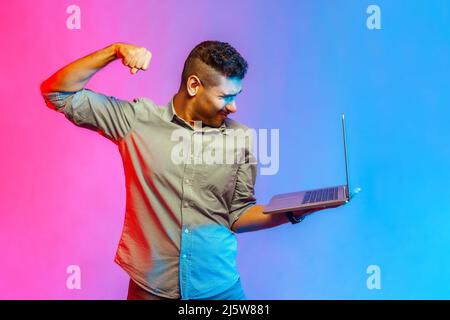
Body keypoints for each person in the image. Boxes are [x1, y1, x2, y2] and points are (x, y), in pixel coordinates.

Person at [41, 41, 333, 300]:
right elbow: (57, 92)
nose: (233, 107)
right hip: (150, 289)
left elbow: (238, 214)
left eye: (236, 95)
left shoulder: (241, 138)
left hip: (219, 289)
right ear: (194, 86)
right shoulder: (136, 121)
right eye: (226, 96)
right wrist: (113, 51)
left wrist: (293, 211)